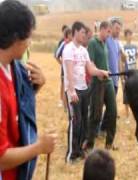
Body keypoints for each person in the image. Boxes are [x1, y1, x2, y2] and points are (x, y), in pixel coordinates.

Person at [0, 1, 57, 179]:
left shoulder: (12, 68)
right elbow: (1, 158)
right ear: (16, 38)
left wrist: (34, 89)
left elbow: (11, 107)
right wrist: (39, 148)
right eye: (28, 38)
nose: (29, 43)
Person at [62, 21, 110, 163]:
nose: (85, 35)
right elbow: (69, 72)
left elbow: (90, 69)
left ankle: (79, 151)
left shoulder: (84, 51)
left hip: (84, 89)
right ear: (76, 32)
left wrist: (101, 72)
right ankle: (70, 155)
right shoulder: (68, 49)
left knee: (83, 122)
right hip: (74, 90)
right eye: (83, 33)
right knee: (75, 122)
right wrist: (71, 91)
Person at [85, 21, 117, 152]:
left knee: (112, 112)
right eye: (108, 31)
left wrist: (106, 72)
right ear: (102, 29)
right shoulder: (92, 43)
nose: (109, 34)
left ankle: (109, 144)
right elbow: (90, 65)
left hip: (108, 82)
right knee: (96, 116)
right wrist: (99, 72)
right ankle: (89, 145)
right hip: (97, 83)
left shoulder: (104, 43)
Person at [121, 29, 138, 123]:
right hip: (127, 72)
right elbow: (121, 62)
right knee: (126, 95)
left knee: (136, 94)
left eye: (131, 34)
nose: (130, 36)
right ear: (125, 36)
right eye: (128, 35)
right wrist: (122, 76)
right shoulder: (123, 47)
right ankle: (127, 116)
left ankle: (136, 114)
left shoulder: (135, 46)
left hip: (135, 72)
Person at [55, 28, 72, 108]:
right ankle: (62, 101)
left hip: (72, 70)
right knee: (64, 84)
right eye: (70, 34)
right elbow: (56, 55)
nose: (72, 35)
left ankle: (69, 103)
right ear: (67, 35)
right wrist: (62, 64)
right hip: (64, 70)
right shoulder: (63, 44)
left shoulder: (74, 44)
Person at [106, 19, 122, 94]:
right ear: (111, 28)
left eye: (119, 29)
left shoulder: (117, 42)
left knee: (112, 105)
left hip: (115, 79)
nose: (118, 31)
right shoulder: (106, 40)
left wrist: (120, 76)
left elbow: (119, 60)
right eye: (116, 28)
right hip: (107, 79)